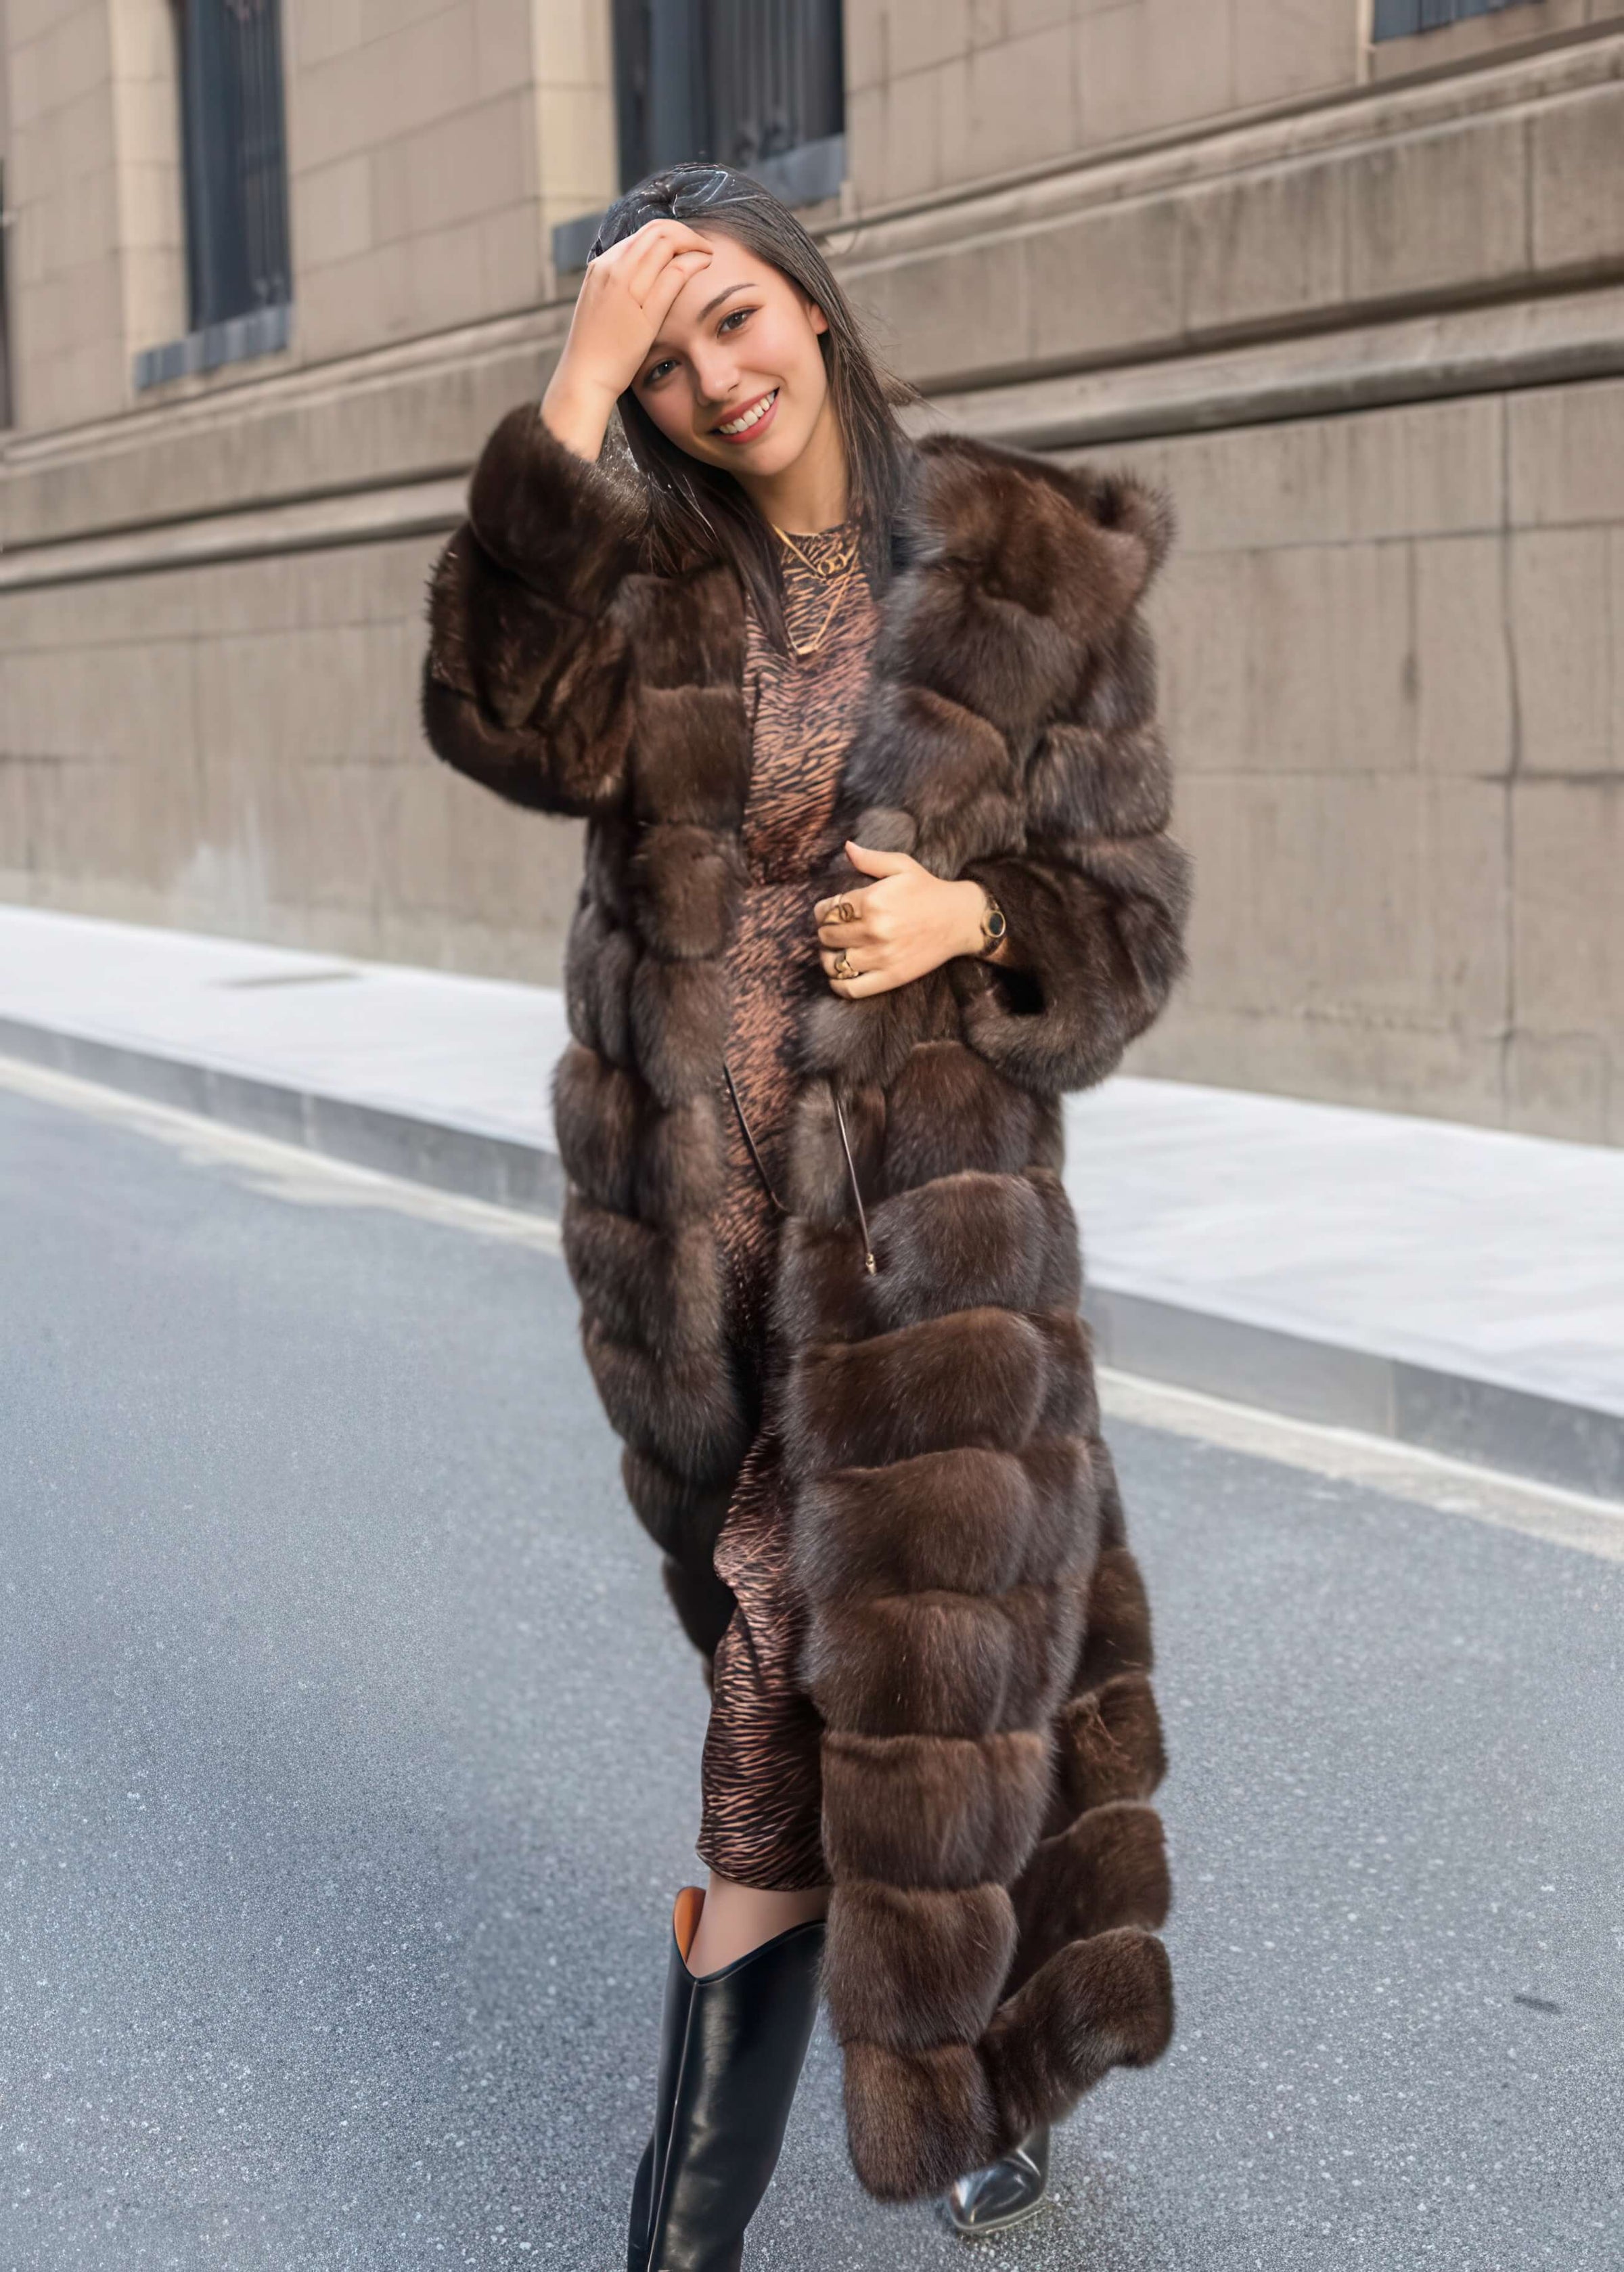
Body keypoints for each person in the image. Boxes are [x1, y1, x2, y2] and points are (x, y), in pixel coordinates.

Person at [421, 162, 1190, 2264]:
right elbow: (490, 712)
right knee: (921, 1704)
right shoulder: (640, 600)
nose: (711, 380)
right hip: (705, 1262)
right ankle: (1004, 2083)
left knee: (781, 1720)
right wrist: (564, 400)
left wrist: (977, 912)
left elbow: (1123, 937)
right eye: (663, 363)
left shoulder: (1033, 573)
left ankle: (683, 2240)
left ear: (815, 307)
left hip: (921, 1278)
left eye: (733, 320)